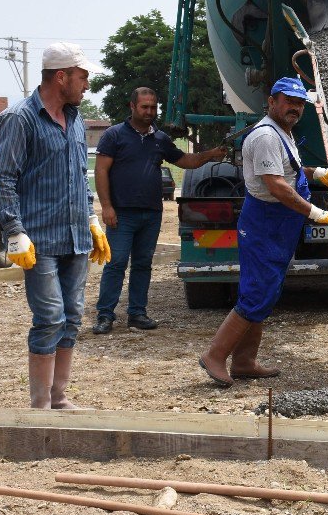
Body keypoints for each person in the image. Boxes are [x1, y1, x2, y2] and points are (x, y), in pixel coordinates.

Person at [199, 77, 328, 386]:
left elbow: (290, 171)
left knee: (266, 292)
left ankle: (244, 361)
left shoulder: (283, 133)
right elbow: (277, 186)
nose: (294, 107)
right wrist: (319, 213)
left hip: (278, 224)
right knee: (257, 292)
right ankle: (214, 355)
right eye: (288, 101)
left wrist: (319, 173)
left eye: (299, 103)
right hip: (265, 223)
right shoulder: (267, 135)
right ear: (272, 102)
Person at [0, 42, 112, 409]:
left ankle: (59, 399)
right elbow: (3, 178)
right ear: (61, 77)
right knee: (50, 317)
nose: (87, 84)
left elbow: (78, 174)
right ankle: (40, 405)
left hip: (74, 236)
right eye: (83, 76)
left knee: (72, 316)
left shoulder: (75, 120)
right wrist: (14, 229)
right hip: (38, 239)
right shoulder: (20, 119)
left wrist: (91, 217)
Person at [91, 87, 229, 334]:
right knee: (117, 263)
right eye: (144, 107)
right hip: (121, 214)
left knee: (143, 264)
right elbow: (101, 171)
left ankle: (137, 314)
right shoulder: (114, 135)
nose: (149, 112)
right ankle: (105, 316)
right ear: (132, 107)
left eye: (153, 107)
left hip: (151, 214)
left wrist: (211, 154)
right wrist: (107, 207)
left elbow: (186, 161)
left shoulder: (160, 139)